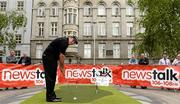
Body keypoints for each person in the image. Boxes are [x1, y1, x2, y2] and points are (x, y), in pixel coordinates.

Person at [42, 36, 78, 102]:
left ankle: (52, 96)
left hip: (52, 58)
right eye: (73, 41)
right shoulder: (64, 42)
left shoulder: (65, 42)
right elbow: (61, 56)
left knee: (53, 77)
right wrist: (62, 68)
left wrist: (62, 67)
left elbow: (61, 56)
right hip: (48, 57)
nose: (72, 43)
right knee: (50, 78)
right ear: (70, 37)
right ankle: (49, 98)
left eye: (74, 42)